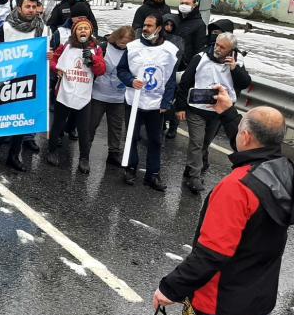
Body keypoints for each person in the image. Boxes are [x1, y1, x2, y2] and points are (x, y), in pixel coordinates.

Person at [153, 90, 290, 315]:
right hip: (260, 302)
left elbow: (211, 254)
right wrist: (230, 115)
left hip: (221, 305)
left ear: (247, 137)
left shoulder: (236, 189)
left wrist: (169, 289)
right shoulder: (283, 171)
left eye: (241, 129)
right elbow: (255, 150)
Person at [176, 32, 251, 194]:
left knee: (204, 143)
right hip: (197, 109)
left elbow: (245, 83)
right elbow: (185, 82)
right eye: (216, 44)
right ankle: (194, 177)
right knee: (196, 141)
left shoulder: (237, 62)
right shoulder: (201, 57)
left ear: (231, 50)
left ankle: (191, 168)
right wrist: (180, 107)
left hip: (219, 111)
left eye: (222, 47)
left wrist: (235, 69)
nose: (217, 48)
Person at [117, 14, 180, 191]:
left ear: (159, 28)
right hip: (134, 101)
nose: (145, 28)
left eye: (150, 26)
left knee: (155, 140)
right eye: (144, 25)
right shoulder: (132, 47)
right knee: (132, 136)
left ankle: (152, 174)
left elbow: (170, 79)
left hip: (156, 104)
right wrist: (130, 81)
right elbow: (121, 70)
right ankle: (130, 168)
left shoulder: (170, 50)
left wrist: (166, 102)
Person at [0, 0, 47, 170]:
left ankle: (14, 155)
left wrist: (48, 55)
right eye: (28, 6)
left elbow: (46, 51)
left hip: (29, 80)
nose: (31, 10)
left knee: (22, 118)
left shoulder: (42, 28)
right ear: (19, 8)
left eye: (34, 7)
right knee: (4, 117)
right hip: (7, 80)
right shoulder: (6, 27)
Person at [47, 16, 106, 173]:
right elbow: (53, 61)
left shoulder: (96, 49)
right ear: (75, 32)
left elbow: (101, 70)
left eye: (86, 28)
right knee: (58, 124)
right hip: (64, 92)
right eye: (80, 28)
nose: (83, 31)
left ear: (90, 31)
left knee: (83, 129)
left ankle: (84, 158)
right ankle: (52, 151)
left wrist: (93, 60)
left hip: (84, 95)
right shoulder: (66, 45)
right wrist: (56, 68)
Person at [90, 26, 134, 167]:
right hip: (98, 93)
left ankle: (114, 152)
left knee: (116, 127)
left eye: (127, 43)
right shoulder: (103, 47)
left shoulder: (132, 51)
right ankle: (85, 149)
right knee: (91, 124)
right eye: (122, 42)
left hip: (119, 96)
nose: (124, 45)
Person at [175, 0, 207, 69]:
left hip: (185, 65)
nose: (183, 5)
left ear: (194, 6)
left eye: (187, 3)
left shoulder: (200, 24)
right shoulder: (175, 19)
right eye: (182, 3)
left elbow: (199, 49)